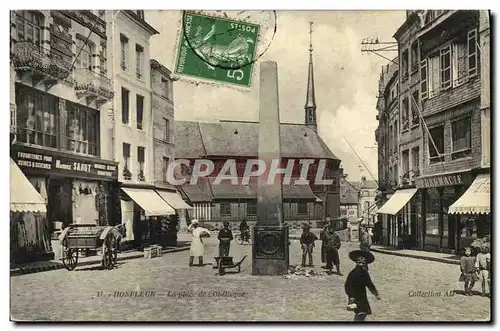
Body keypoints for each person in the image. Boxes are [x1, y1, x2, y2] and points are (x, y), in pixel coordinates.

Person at [345, 250, 380, 322]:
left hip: (363, 296)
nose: (361, 264)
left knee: (362, 312)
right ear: (356, 262)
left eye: (363, 263)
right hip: (355, 296)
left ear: (365, 263)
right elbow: (347, 285)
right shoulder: (352, 273)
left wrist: (375, 293)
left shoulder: (365, 273)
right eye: (359, 262)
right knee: (360, 313)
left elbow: (369, 284)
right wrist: (351, 296)